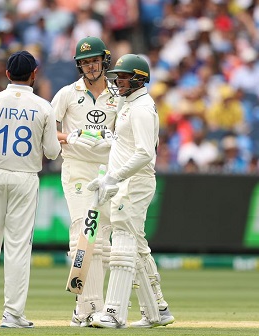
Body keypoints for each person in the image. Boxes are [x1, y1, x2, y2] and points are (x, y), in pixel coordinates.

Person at [0, 50, 61, 328]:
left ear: (7, 74)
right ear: (34, 75)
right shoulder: (43, 106)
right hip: (26, 178)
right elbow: (52, 153)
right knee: (18, 248)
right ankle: (13, 315)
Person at [87, 54, 175, 328]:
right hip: (125, 182)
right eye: (118, 77)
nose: (118, 81)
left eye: (123, 77)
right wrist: (108, 173)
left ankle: (114, 312)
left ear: (139, 78)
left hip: (134, 182)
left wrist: (114, 176)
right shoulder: (130, 103)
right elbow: (125, 145)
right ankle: (157, 310)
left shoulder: (141, 108)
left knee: (123, 241)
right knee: (136, 245)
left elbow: (145, 153)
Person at [51, 36, 119, 326]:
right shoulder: (67, 94)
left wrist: (114, 139)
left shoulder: (118, 96)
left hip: (108, 172)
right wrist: (69, 136)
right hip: (77, 169)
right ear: (79, 65)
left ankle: (87, 310)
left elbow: (130, 135)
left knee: (101, 240)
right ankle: (89, 307)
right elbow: (45, 131)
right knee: (83, 232)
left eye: (94, 60)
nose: (90, 66)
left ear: (104, 60)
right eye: (85, 62)